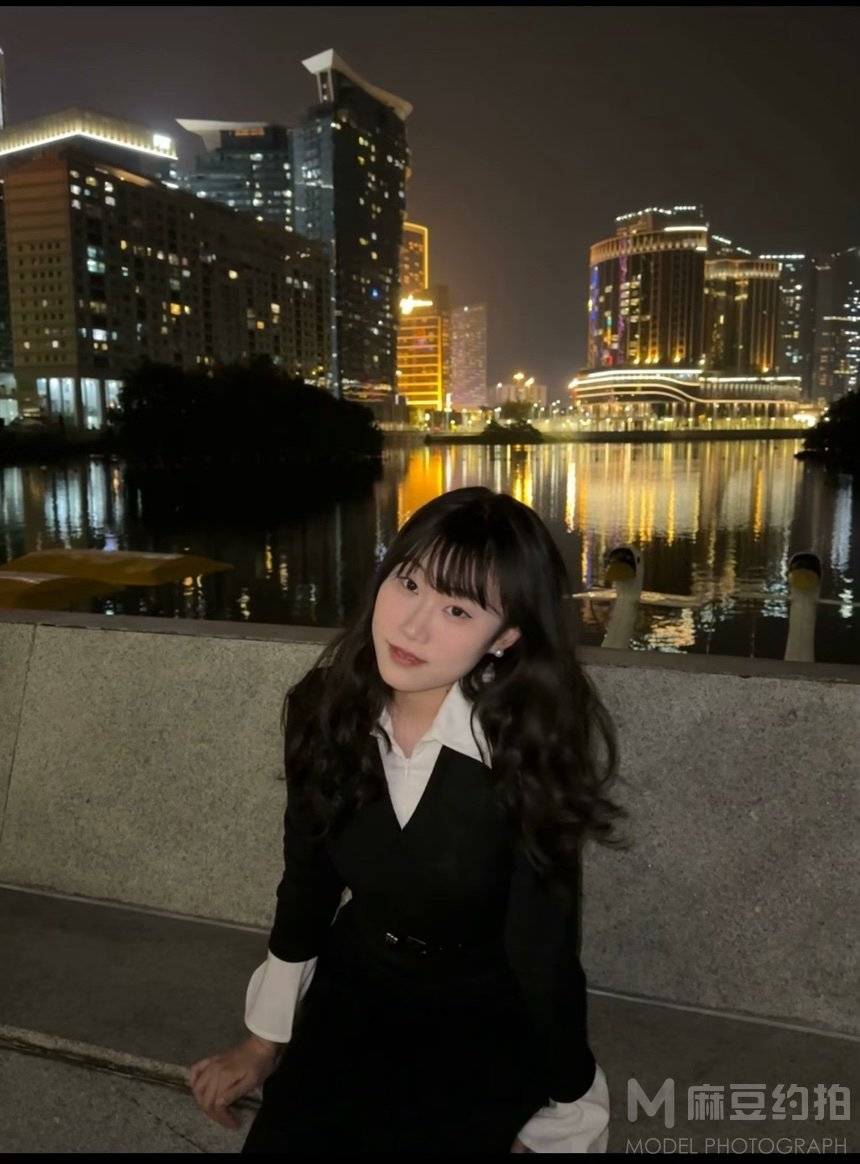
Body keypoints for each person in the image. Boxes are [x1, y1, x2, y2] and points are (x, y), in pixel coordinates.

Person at [188, 486, 629, 1153]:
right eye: (410, 583)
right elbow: (308, 880)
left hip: (481, 1013)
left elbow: (542, 947)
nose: (412, 627)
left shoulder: (523, 752)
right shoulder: (324, 708)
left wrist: (571, 1101)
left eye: (456, 609)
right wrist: (263, 1039)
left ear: (506, 636)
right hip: (357, 984)